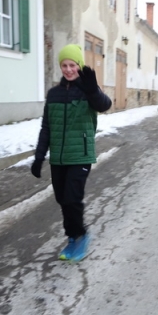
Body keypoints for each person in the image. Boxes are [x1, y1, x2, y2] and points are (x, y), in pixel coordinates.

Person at [31, 44, 112, 262]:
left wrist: (93, 89)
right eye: (64, 65)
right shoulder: (53, 94)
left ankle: (81, 235)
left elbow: (104, 105)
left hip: (80, 155)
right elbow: (46, 127)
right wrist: (39, 157)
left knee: (72, 198)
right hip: (58, 157)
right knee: (62, 199)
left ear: (79, 66)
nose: (68, 69)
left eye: (72, 65)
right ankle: (72, 237)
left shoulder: (87, 91)